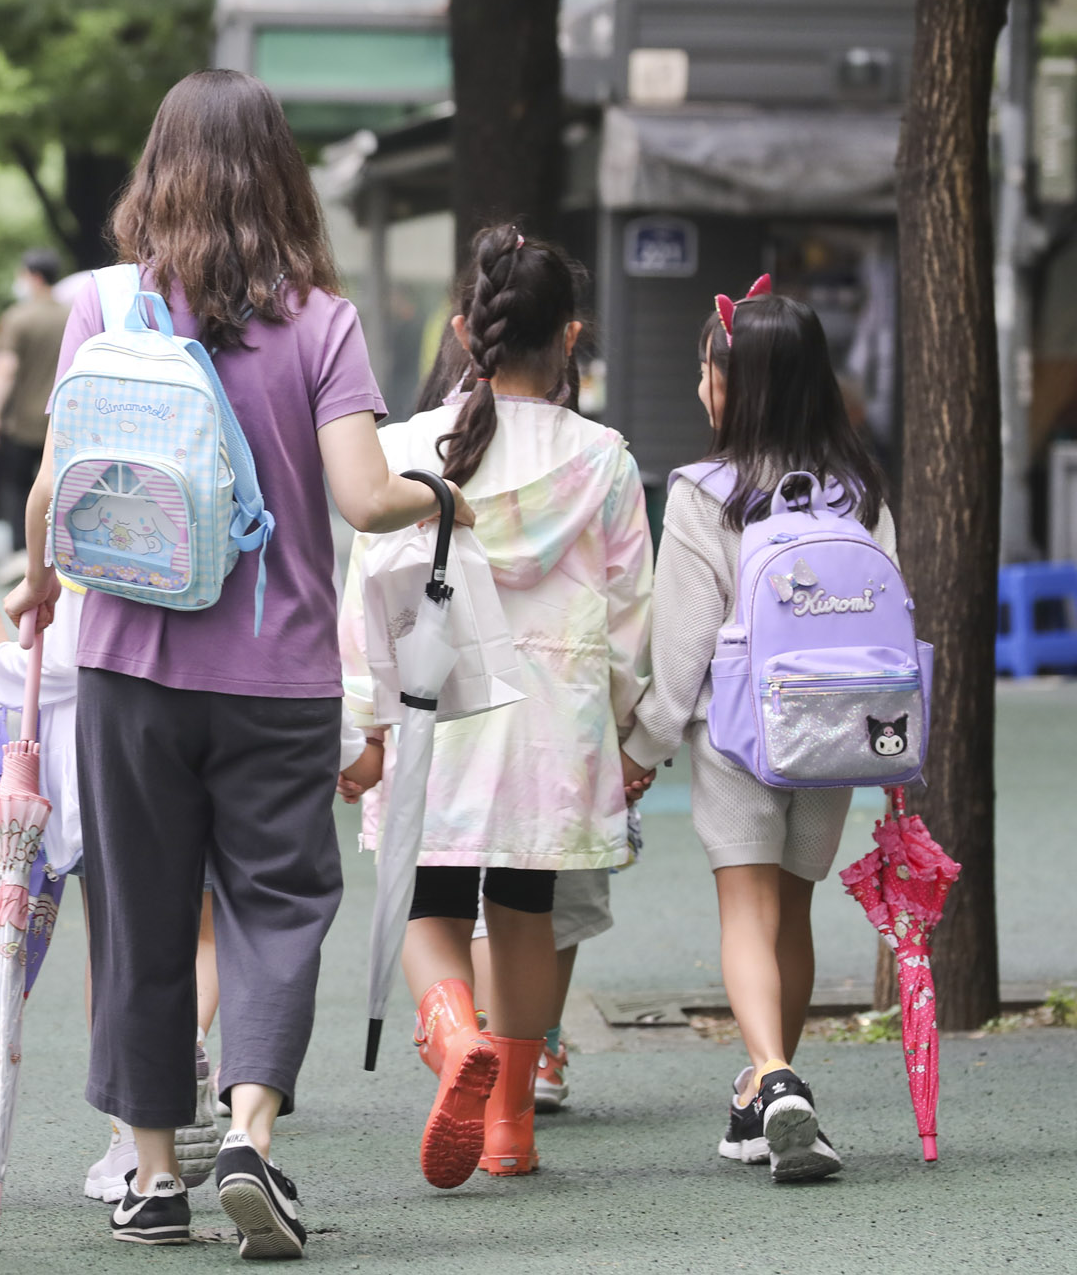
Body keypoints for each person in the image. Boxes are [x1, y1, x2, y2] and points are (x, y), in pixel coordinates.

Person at [2, 68, 462, 1261]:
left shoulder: (105, 308)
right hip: (275, 673)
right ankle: (249, 1129)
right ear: (281, 177)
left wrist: (38, 582)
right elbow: (364, 497)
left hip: (127, 663)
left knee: (143, 916)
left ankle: (153, 1175)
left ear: (157, 170)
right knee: (275, 907)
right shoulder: (318, 319)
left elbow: (58, 487)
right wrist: (441, 490)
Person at [339, 224, 652, 1189]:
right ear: (571, 336)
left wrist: (364, 723)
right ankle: (512, 1123)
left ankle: (454, 1031)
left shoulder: (402, 449)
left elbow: (369, 598)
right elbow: (633, 611)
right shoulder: (604, 458)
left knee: (430, 903)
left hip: (438, 710)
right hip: (554, 724)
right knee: (526, 909)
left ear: (468, 328)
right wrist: (634, 730)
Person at [621, 288, 891, 1183]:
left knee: (747, 910)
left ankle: (774, 1076)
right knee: (795, 911)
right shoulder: (860, 491)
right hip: (835, 736)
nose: (699, 383)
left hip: (738, 738)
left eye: (707, 367)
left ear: (736, 384)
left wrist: (643, 748)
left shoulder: (706, 494)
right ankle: (762, 1093)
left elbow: (686, 644)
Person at [0, 593, 226, 1202]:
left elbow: (68, 659)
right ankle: (185, 1035)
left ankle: (132, 1132)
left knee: (116, 943)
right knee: (205, 930)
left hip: (106, 765)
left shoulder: (93, 511)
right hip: (207, 739)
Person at [0, 248, 70, 583]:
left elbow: (4, 369)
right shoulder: (71, 316)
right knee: (59, 489)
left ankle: (22, 553)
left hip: (21, 424)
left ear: (32, 276)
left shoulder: (18, 317)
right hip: (61, 424)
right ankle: (59, 553)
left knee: (18, 490)